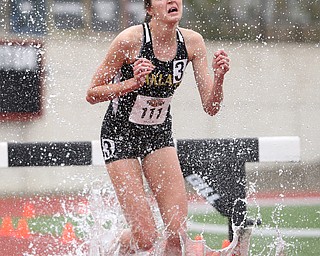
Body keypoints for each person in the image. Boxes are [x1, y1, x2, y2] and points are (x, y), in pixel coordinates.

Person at [86, 0, 230, 254]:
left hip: (158, 133)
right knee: (146, 238)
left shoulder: (193, 43)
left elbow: (211, 107)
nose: (173, 1)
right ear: (150, 9)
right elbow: (93, 93)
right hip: (120, 135)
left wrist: (218, 79)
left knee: (177, 235)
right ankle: (118, 245)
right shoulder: (129, 40)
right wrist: (131, 83)